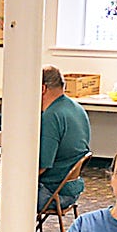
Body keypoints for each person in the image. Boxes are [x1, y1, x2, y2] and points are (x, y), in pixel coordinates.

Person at [34, 66, 92, 213]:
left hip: (53, 192)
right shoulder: (76, 107)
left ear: (42, 89)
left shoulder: (51, 116)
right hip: (71, 186)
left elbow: (42, 165)